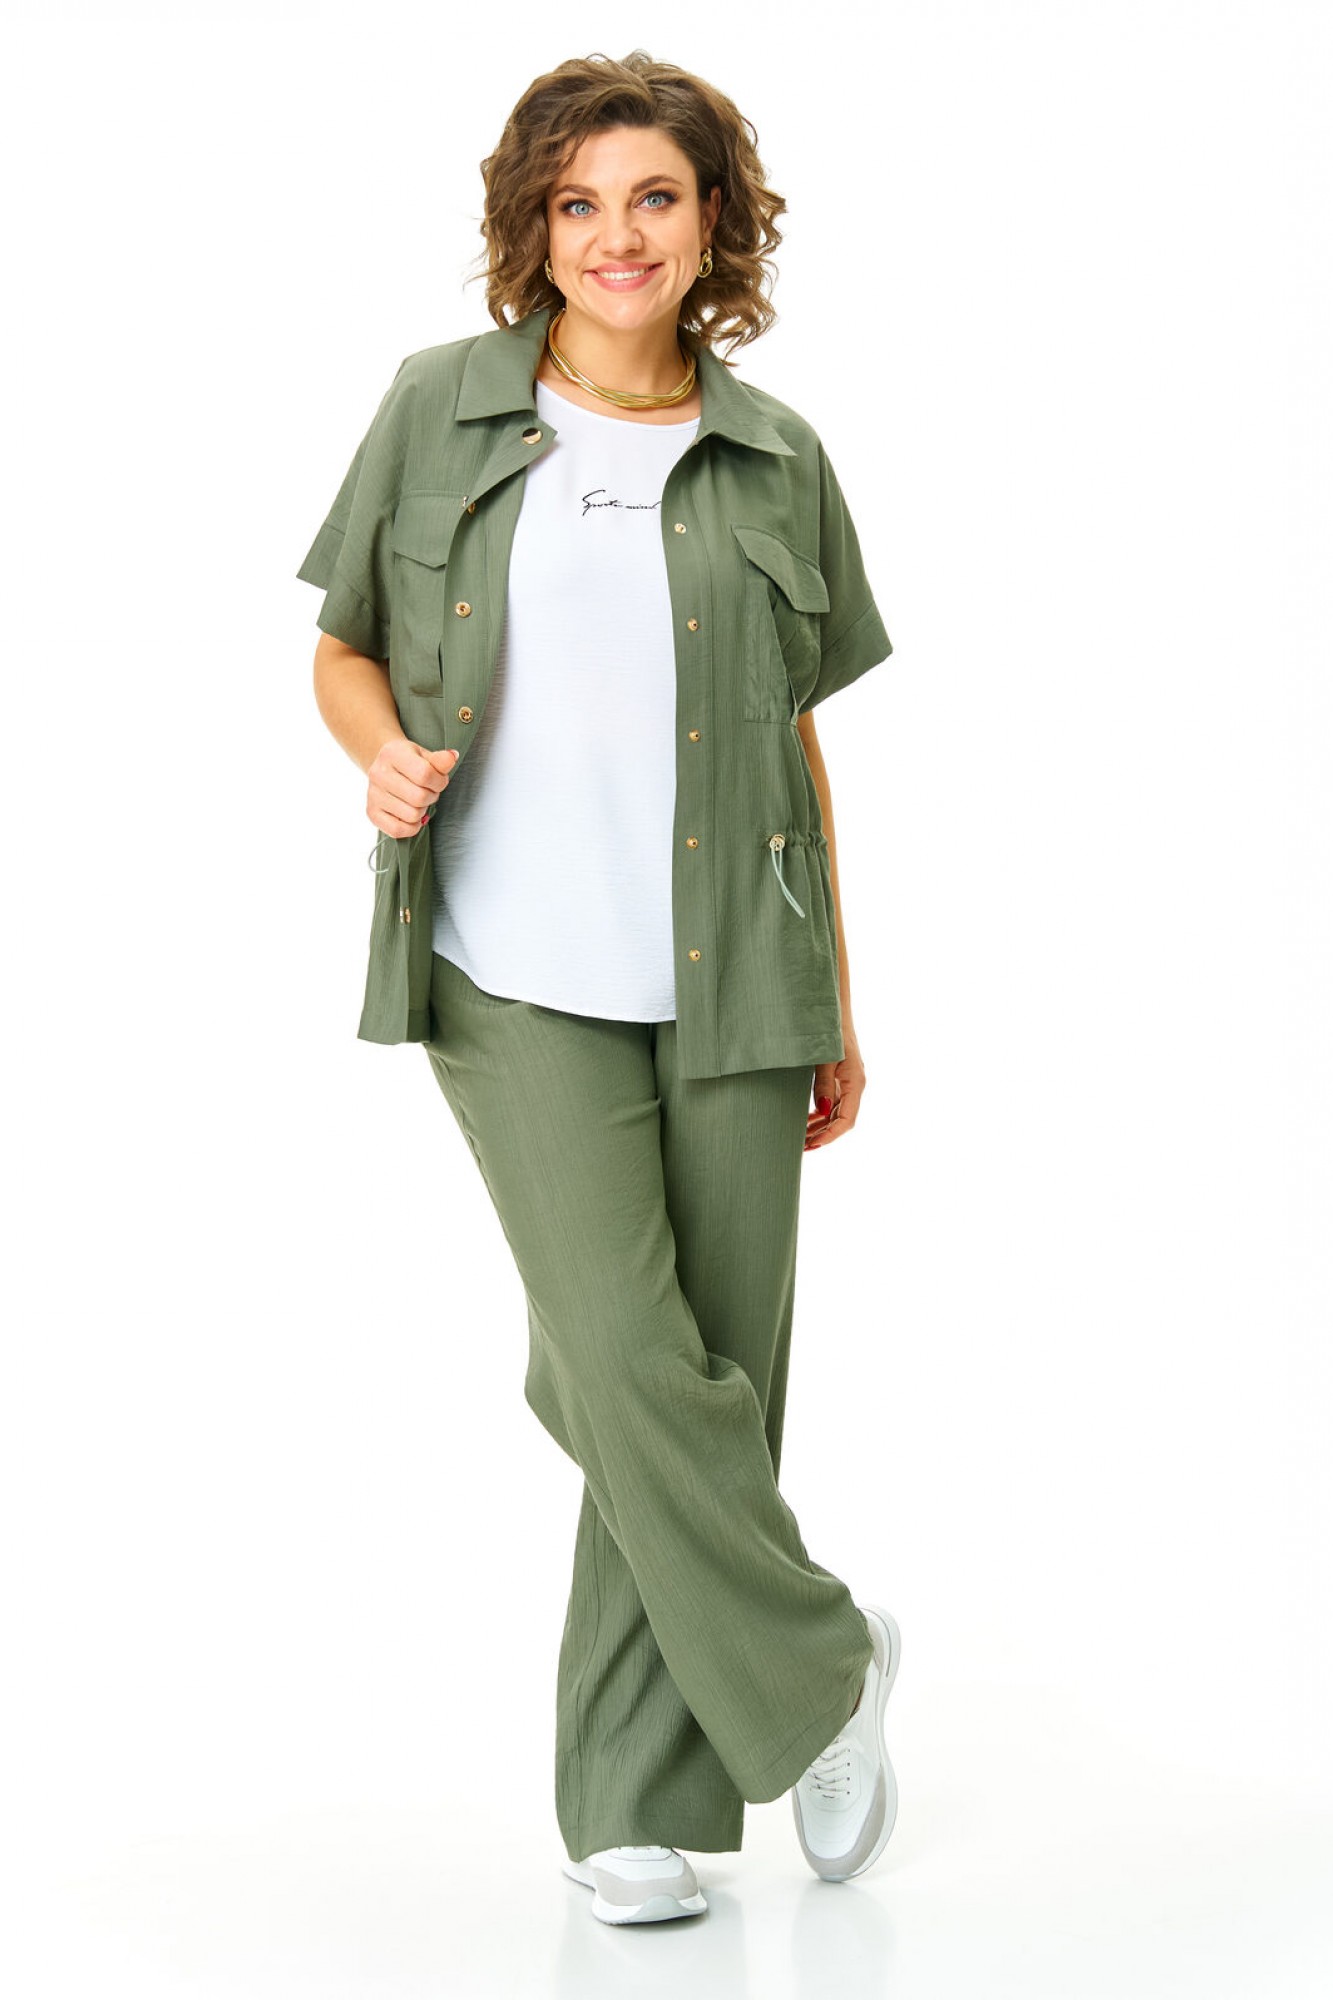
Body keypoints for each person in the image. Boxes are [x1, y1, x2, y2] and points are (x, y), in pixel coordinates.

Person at [297, 50, 901, 1927]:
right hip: (510, 970)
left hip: (739, 976)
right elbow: (343, 649)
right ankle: (820, 1665)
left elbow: (795, 743)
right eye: (575, 203)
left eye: (652, 197)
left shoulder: (779, 452)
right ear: (532, 227)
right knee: (626, 1362)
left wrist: (837, 994)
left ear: (712, 222)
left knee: (708, 1369)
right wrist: (382, 758)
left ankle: (634, 1805)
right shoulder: (441, 407)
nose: (614, 236)